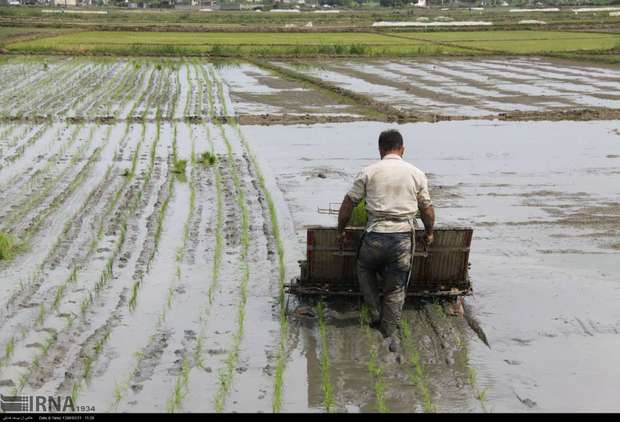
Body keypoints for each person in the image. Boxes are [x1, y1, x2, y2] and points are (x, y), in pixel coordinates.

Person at [337, 129, 435, 353]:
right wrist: (429, 233)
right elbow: (427, 210)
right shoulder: (416, 173)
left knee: (364, 268)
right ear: (402, 149)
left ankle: (374, 314)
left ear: (380, 150)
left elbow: (348, 205)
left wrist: (341, 231)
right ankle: (389, 329)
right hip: (402, 239)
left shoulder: (368, 172)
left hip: (375, 235)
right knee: (396, 285)